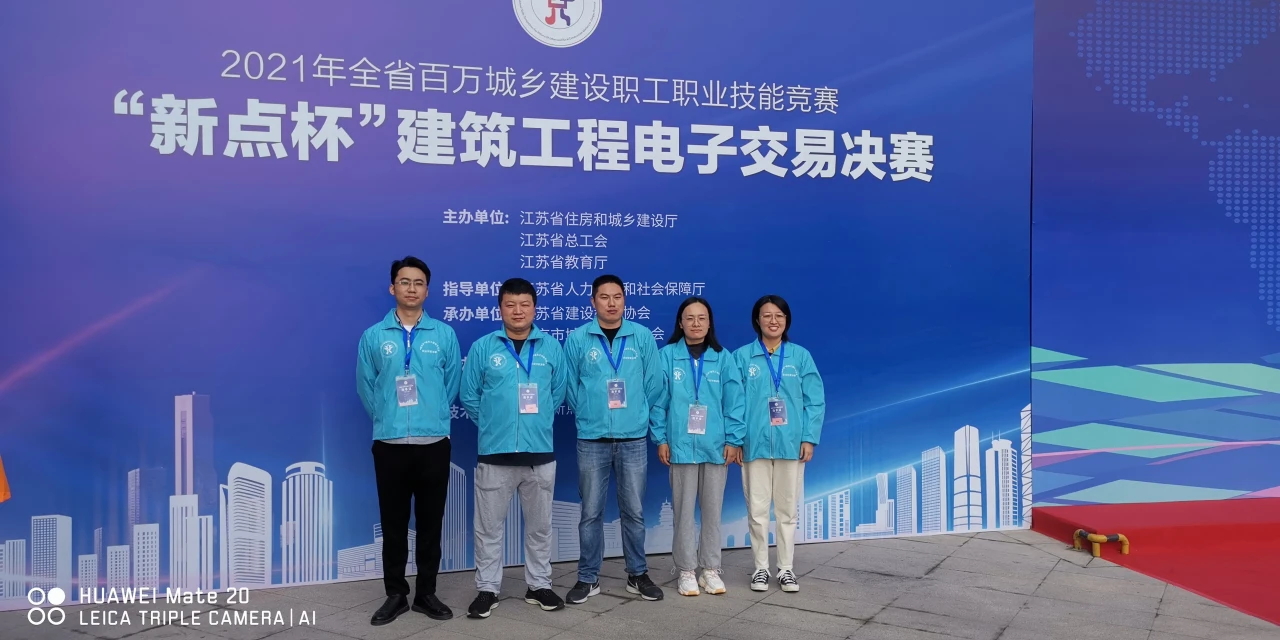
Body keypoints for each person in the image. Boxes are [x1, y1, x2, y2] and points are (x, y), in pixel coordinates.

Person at [356, 256, 460, 625]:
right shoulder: (373, 336)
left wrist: (433, 415)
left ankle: (426, 593)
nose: (411, 288)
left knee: (431, 523)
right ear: (392, 288)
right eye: (404, 281)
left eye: (418, 283)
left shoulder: (444, 335)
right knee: (394, 523)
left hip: (434, 443)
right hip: (390, 444)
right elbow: (366, 387)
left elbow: (451, 385)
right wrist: (388, 417)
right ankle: (396, 595)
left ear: (427, 291)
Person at [460, 278, 568, 619]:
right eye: (510, 304)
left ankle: (538, 585)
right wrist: (495, 425)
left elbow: (558, 393)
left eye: (524, 304)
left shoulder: (551, 348)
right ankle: (487, 589)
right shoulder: (483, 347)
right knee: (488, 529)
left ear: (535, 308)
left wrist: (535, 423)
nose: (517, 311)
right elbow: (469, 395)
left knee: (540, 528)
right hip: (495, 455)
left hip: (540, 455)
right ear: (500, 308)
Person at [563, 274, 665, 603]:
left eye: (617, 297)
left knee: (634, 511)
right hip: (592, 439)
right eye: (604, 297)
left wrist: (635, 413)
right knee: (591, 513)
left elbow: (653, 384)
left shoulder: (641, 337)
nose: (611, 303)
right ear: (592, 301)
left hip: (632, 438)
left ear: (624, 300)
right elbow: (569, 385)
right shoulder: (578, 338)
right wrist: (589, 412)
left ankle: (637, 574)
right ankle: (587, 577)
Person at [651, 297, 745, 597]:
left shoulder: (722, 358)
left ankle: (710, 569)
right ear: (680, 323)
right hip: (680, 447)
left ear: (709, 323)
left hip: (715, 447)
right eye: (689, 318)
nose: (695, 323)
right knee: (682, 513)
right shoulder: (667, 356)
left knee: (712, 512)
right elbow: (657, 403)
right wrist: (661, 439)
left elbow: (735, 403)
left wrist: (733, 440)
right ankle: (686, 571)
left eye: (701, 318)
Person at [734, 295, 825, 593]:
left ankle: (786, 569)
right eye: (767, 315)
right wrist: (736, 439)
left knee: (787, 511)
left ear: (787, 320)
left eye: (779, 316)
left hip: (791, 444)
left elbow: (815, 401)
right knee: (757, 511)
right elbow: (732, 403)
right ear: (756, 320)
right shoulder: (742, 357)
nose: (773, 321)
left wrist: (808, 437)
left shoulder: (800, 357)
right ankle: (760, 568)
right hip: (753, 445)